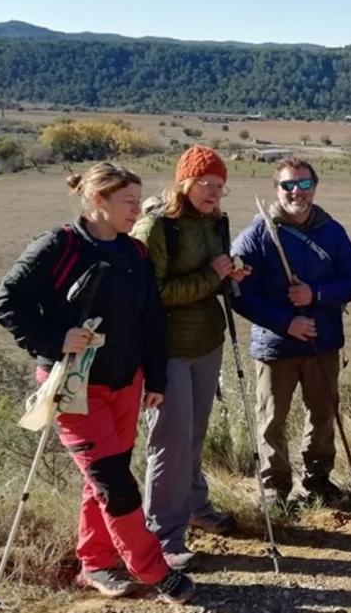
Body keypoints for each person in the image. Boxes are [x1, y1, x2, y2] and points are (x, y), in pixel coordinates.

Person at [0, 162, 194, 603]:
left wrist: (155, 377)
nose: (137, 210)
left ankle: (97, 563)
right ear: (98, 201)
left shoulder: (134, 253)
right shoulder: (58, 246)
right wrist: (54, 338)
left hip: (126, 383)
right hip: (72, 387)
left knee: (105, 479)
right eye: (128, 202)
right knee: (115, 483)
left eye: (138, 201)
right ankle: (154, 570)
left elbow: (151, 320)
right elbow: (7, 302)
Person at [131, 145, 247, 569]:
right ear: (185, 181)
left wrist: (230, 275)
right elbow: (152, 294)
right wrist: (212, 275)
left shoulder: (215, 222)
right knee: (168, 442)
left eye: (219, 185)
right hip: (168, 349)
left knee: (194, 433)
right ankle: (163, 536)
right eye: (206, 183)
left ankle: (195, 507)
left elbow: (213, 277)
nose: (214, 192)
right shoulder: (157, 227)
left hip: (207, 341)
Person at [231, 158, 351, 505]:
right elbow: (239, 293)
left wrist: (316, 295)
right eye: (288, 185)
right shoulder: (257, 234)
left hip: (324, 340)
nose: (296, 192)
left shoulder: (331, 231)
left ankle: (317, 480)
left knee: (322, 413)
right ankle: (275, 486)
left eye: (303, 185)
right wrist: (286, 322)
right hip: (276, 346)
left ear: (314, 188)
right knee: (272, 419)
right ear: (277, 189)